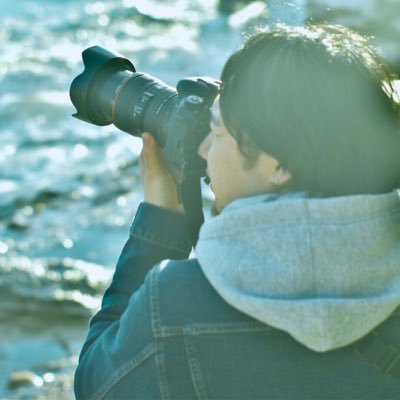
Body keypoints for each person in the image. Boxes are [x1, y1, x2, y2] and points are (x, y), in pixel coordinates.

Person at [74, 24, 400, 399]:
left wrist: (160, 224)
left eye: (218, 131)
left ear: (280, 165)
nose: (203, 151)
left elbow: (96, 386)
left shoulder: (175, 304)